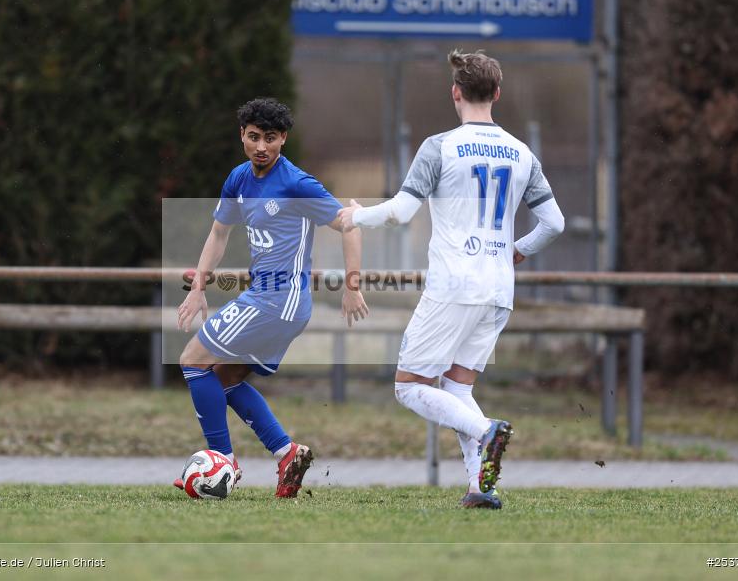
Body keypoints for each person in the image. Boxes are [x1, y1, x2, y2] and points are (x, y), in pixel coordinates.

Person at [338, 49, 564, 509]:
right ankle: (480, 487)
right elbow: (554, 223)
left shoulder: (440, 146)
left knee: (409, 386)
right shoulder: (522, 153)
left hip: (455, 285)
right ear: (497, 93)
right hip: (498, 288)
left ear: (455, 93)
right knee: (457, 389)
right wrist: (517, 250)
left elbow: (402, 212)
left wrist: (357, 216)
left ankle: (487, 430)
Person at [178, 97, 368, 498]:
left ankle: (221, 463)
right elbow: (218, 233)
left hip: (277, 301)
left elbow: (349, 225)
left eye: (269, 138)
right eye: (253, 137)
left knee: (193, 360)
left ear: (283, 138)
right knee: (224, 379)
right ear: (242, 136)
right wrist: (198, 288)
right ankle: (286, 452)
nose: (261, 146)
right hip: (273, 302)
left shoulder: (297, 183)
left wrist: (352, 286)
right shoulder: (238, 179)